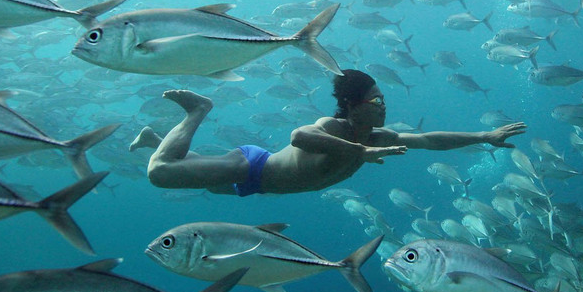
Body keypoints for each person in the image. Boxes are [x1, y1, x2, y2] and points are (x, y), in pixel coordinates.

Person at [129, 69, 527, 196]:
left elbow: (430, 140)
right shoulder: (332, 126)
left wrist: (483, 136)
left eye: (383, 98)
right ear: (353, 105)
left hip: (256, 188)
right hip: (250, 167)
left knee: (204, 179)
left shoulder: (379, 138)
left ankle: (152, 137)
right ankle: (199, 109)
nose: (383, 105)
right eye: (375, 100)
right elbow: (300, 137)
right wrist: (357, 153)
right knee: (160, 173)